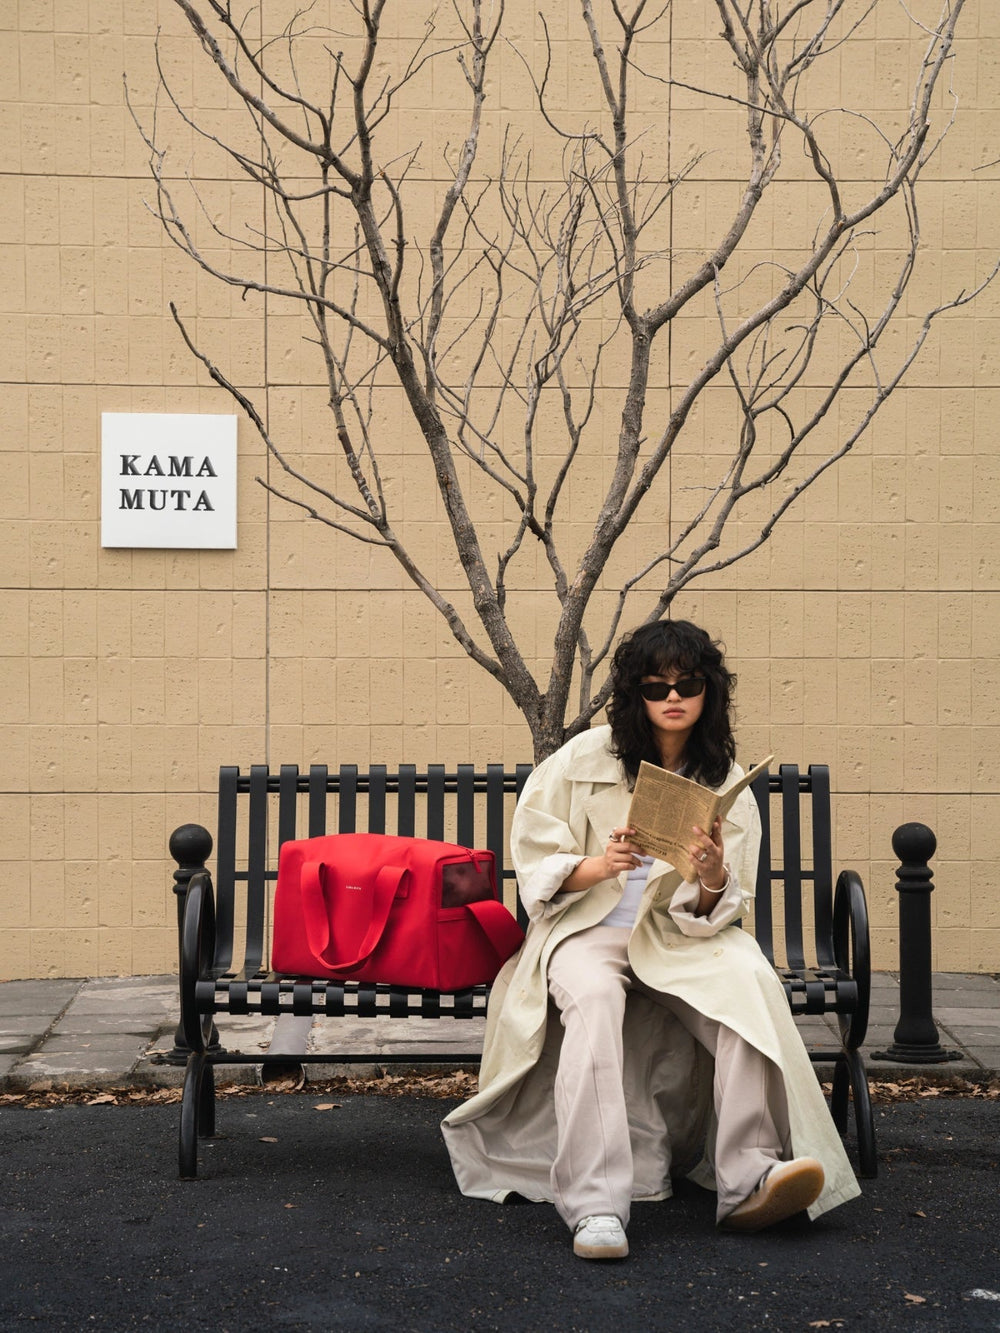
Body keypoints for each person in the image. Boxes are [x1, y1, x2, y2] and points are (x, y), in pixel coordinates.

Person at [442, 619, 860, 1259]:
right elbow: (534, 860)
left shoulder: (724, 779)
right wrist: (597, 866)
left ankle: (749, 1180)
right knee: (592, 1000)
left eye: (688, 684)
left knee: (746, 986)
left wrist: (714, 875)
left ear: (708, 692)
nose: (673, 696)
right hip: (589, 928)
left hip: (680, 934)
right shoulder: (584, 757)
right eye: (656, 685)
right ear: (633, 693)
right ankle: (594, 1207)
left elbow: (725, 905)